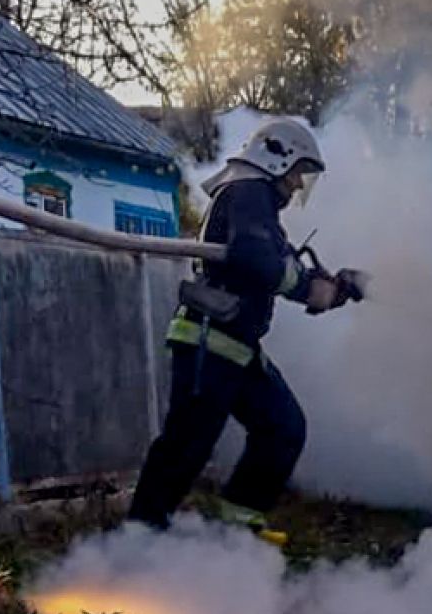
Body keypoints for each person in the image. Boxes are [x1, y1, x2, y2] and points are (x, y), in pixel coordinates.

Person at [127, 116, 362, 534]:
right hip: (208, 340)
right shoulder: (247, 191)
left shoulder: (258, 206)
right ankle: (138, 541)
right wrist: (307, 289)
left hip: (236, 346)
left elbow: (275, 261)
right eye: (297, 172)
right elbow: (254, 258)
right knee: (186, 446)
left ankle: (234, 531)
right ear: (276, 157)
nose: (298, 185)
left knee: (282, 429)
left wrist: (328, 287)